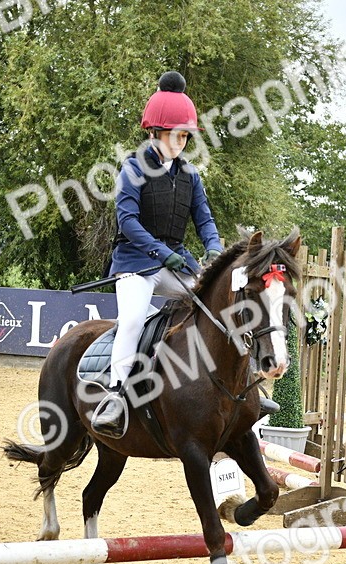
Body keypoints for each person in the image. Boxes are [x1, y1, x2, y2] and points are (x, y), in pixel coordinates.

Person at [91, 72, 224, 437]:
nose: (180, 143)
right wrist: (162, 253)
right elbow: (129, 222)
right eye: (175, 135)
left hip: (175, 261)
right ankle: (116, 396)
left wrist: (214, 248)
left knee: (214, 305)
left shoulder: (191, 175)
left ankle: (220, 384)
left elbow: (204, 219)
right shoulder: (132, 168)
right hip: (136, 263)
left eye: (185, 136)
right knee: (132, 319)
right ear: (155, 133)